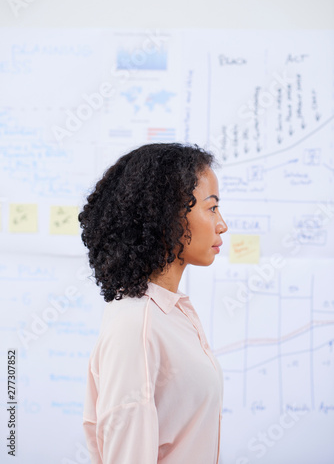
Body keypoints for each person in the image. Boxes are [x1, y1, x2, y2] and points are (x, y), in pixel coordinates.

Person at [78, 142, 228, 463]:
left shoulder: (172, 312)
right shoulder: (138, 325)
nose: (222, 224)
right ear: (169, 216)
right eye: (212, 207)